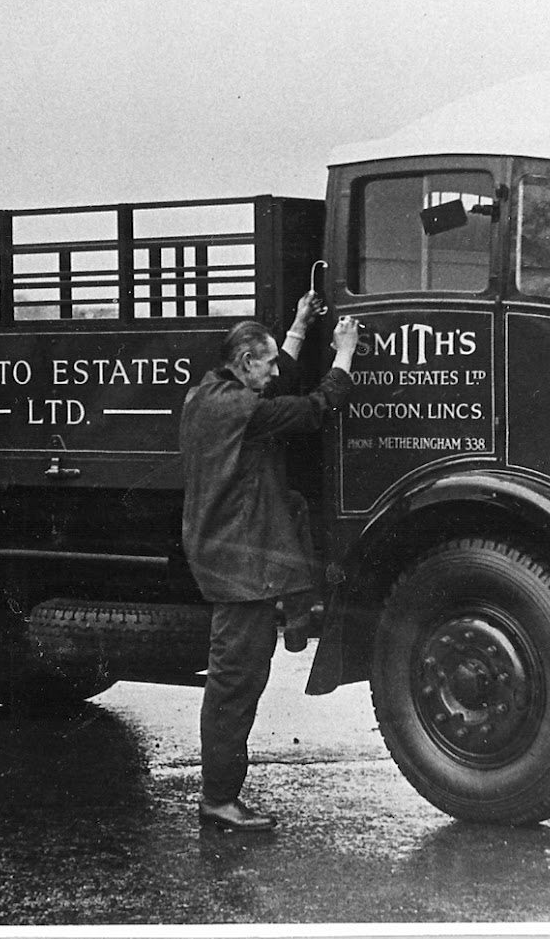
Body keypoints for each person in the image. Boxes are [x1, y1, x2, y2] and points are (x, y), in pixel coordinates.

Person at [179, 292, 358, 832]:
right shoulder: (246, 411)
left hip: (224, 556)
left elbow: (273, 393)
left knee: (235, 681)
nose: (277, 371)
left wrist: (299, 326)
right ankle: (218, 799)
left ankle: (220, 795)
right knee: (235, 685)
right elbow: (313, 407)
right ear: (245, 363)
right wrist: (344, 353)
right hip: (240, 571)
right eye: (270, 363)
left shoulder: (209, 396)